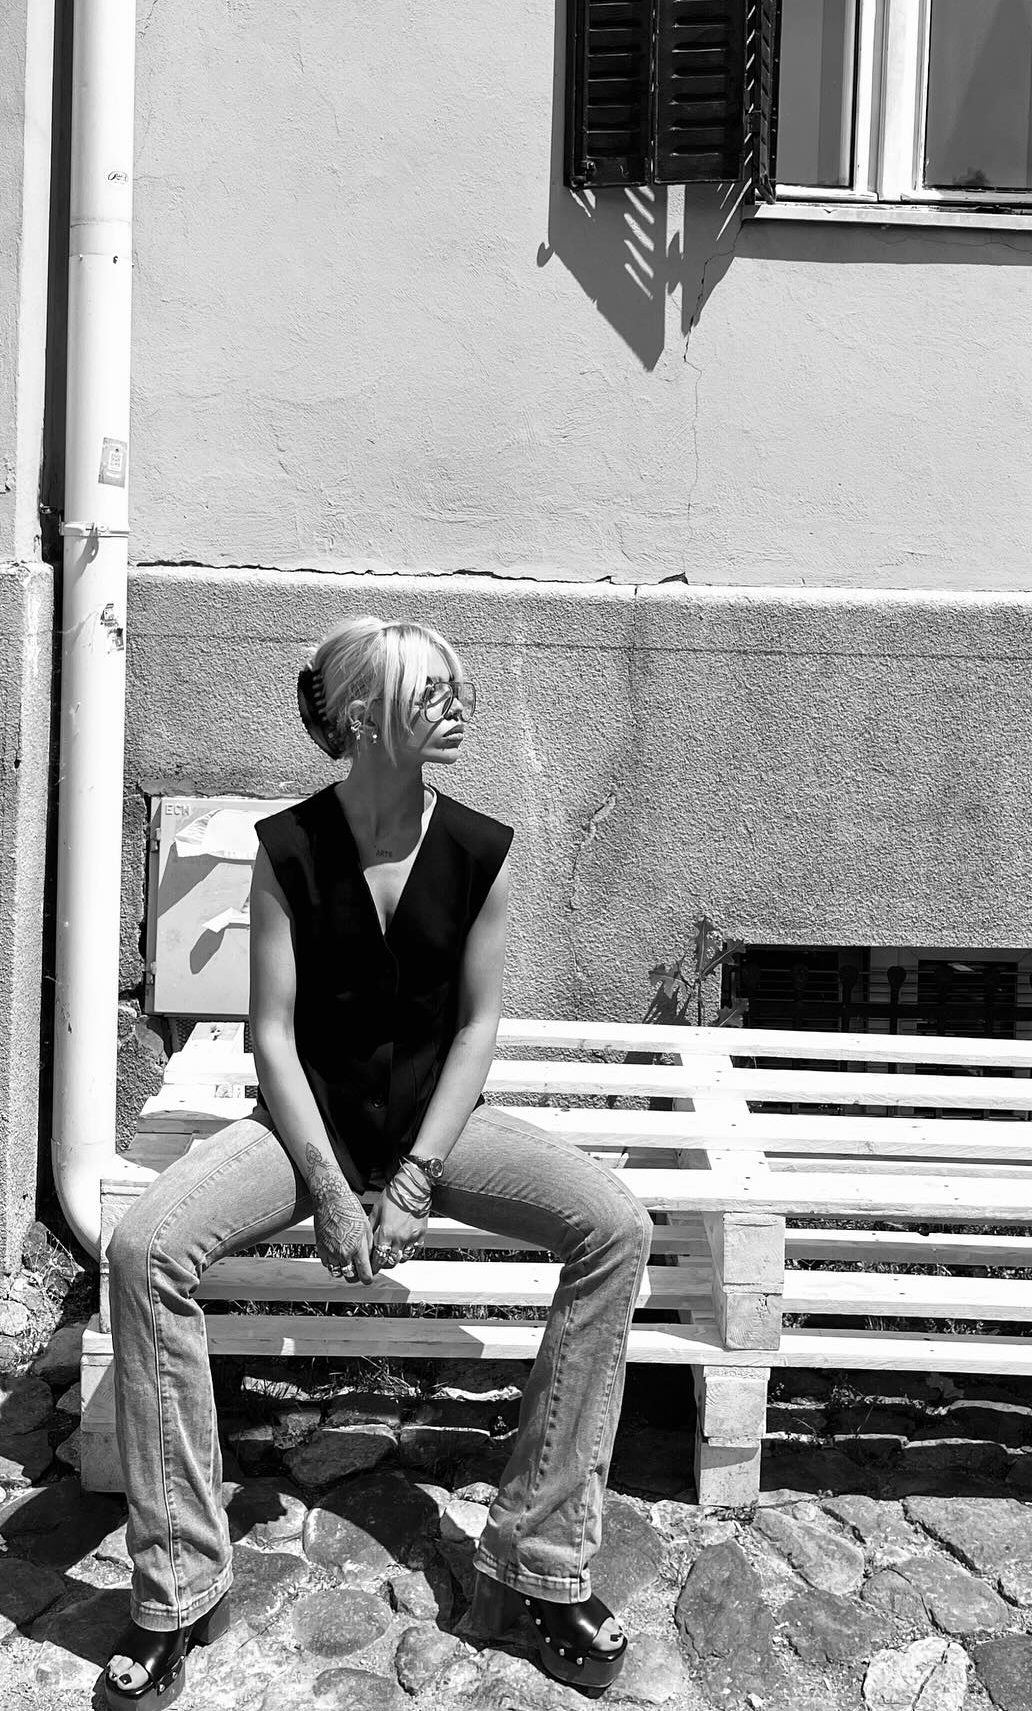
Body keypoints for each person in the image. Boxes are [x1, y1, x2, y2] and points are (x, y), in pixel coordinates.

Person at [103, 615, 653, 1707]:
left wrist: (412, 1178)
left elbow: (477, 1027)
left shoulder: (481, 849)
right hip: (305, 1127)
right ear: (364, 716)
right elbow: (272, 1035)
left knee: (616, 1227)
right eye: (432, 690)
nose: (459, 705)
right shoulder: (288, 847)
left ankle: (541, 1560)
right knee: (141, 1249)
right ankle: (179, 1587)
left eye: (459, 688)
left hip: (437, 1129)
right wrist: (328, 1186)